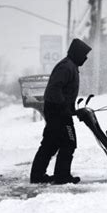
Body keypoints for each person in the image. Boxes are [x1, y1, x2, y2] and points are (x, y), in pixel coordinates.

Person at [30, 38, 92, 184]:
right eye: (84, 54)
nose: (85, 58)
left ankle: (38, 176)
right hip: (57, 111)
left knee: (51, 143)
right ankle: (61, 176)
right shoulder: (66, 67)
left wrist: (71, 109)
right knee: (69, 142)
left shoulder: (71, 66)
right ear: (76, 53)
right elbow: (54, 89)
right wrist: (64, 106)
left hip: (59, 111)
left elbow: (64, 91)